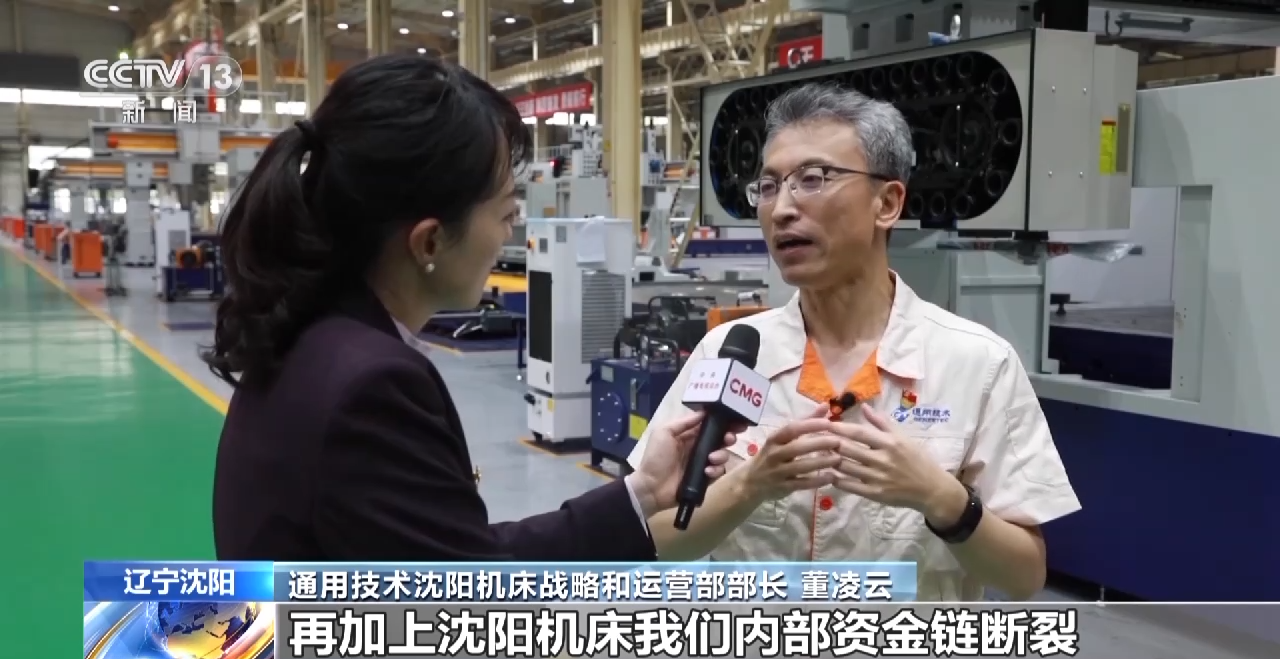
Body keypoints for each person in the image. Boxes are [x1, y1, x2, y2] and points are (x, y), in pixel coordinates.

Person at [206, 55, 752, 561]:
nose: (510, 233)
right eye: (506, 213)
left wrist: (643, 491)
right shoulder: (373, 386)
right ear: (429, 241)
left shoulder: (307, 337)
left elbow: (451, 553)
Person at [628, 83, 1081, 601]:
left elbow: (1024, 576)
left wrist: (940, 497)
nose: (781, 209)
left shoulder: (977, 364)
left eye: (813, 179)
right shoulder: (727, 353)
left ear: (886, 203)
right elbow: (660, 542)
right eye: (769, 186)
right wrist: (749, 486)